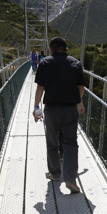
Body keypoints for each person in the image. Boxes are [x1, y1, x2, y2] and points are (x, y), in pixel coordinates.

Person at [33, 37, 86, 194]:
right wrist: (79, 102)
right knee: (70, 143)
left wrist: (37, 107)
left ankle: (55, 174)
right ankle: (70, 178)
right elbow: (81, 86)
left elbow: (40, 88)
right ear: (67, 49)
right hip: (70, 109)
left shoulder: (45, 63)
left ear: (50, 50)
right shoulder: (75, 63)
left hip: (52, 109)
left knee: (52, 143)